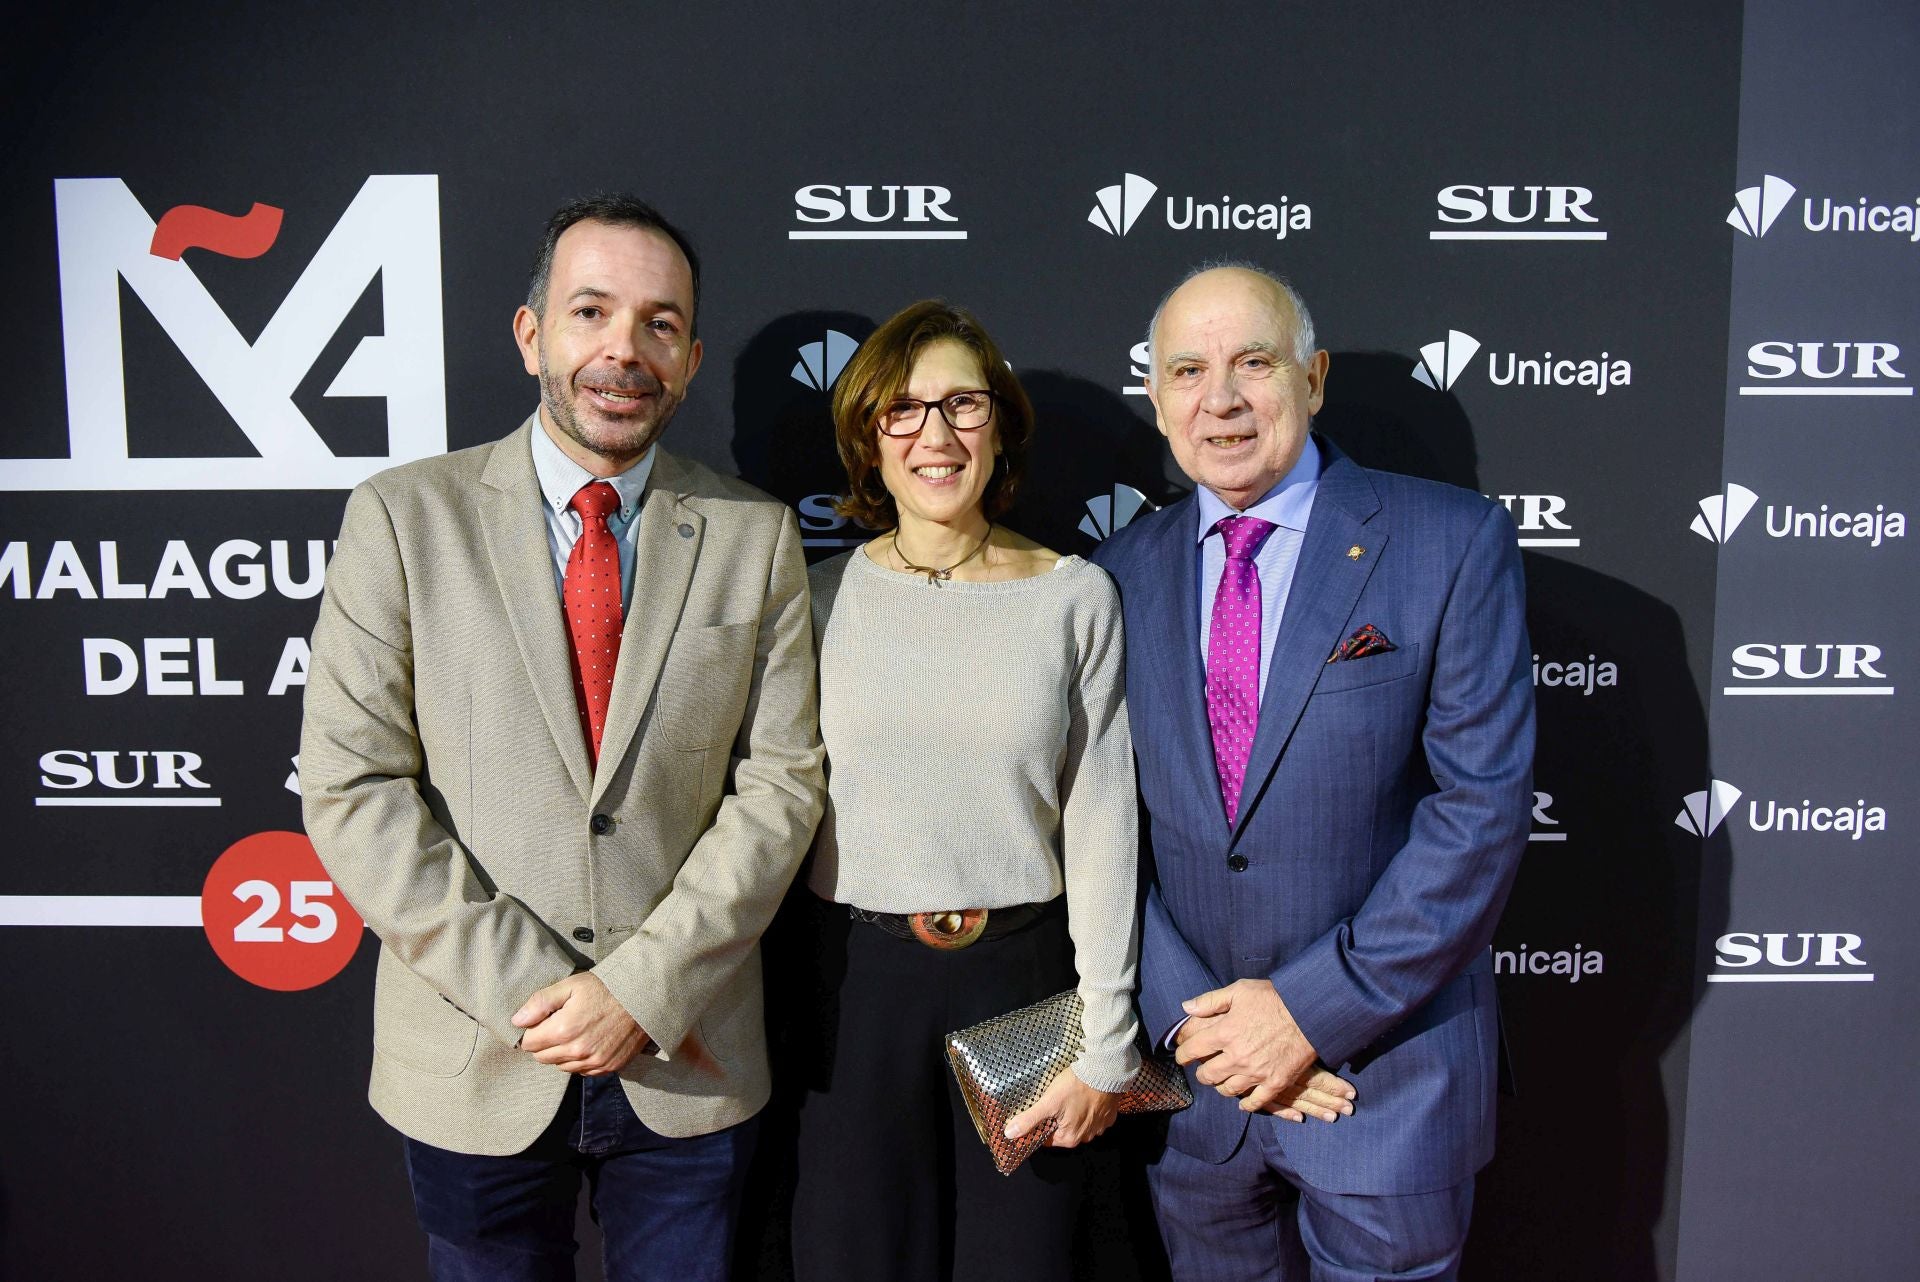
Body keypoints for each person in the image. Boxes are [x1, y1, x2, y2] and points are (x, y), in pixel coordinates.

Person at [300, 193, 825, 1281]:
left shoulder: (754, 535)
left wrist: (639, 991)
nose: (623, 350)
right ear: (533, 332)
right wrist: (537, 996)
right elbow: (354, 789)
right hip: (475, 1053)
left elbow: (779, 786)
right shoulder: (403, 519)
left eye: (660, 324)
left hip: (688, 1054)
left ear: (687, 360)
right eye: (591, 312)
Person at [1092, 263, 1534, 1282]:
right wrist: (1207, 1032)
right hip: (1199, 1096)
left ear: (1314, 377)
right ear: (1157, 399)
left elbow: (1478, 813)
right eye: (1189, 370)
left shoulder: (1449, 541)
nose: (1223, 399)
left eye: (1255, 362)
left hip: (1383, 1080)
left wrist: (1304, 1015)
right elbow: (1104, 825)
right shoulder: (1120, 573)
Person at [786, 299, 1137, 1282]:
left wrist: (1107, 1040)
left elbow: (1102, 824)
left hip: (1024, 984)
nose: (935, 435)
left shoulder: (1075, 597)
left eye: (963, 404)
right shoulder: (816, 598)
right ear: (868, 436)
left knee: (1020, 1262)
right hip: (857, 991)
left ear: (1001, 424)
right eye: (902, 408)